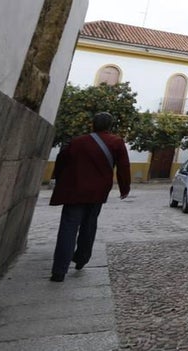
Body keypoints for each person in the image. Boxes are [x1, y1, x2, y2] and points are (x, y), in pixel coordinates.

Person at [49, 111, 131, 282]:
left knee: (67, 228)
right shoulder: (116, 142)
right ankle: (81, 259)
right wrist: (125, 188)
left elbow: (61, 159)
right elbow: (123, 167)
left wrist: (56, 178)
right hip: (97, 192)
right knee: (89, 225)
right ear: (110, 126)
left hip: (74, 190)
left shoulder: (77, 142)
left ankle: (59, 271)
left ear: (93, 124)